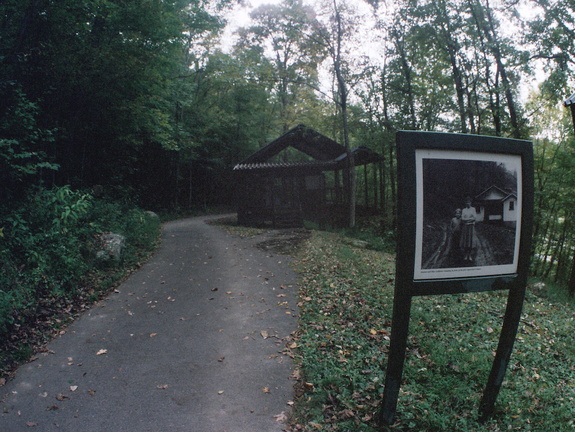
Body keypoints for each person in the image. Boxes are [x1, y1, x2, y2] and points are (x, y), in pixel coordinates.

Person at [460, 197, 476, 262]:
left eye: (469, 202)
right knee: (465, 242)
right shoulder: (464, 210)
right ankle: (466, 255)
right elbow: (462, 219)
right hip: (465, 227)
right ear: (465, 203)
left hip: (471, 227)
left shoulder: (473, 209)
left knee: (470, 241)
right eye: (467, 202)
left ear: (471, 203)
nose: (468, 203)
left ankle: (470, 256)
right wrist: (470, 219)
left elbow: (474, 218)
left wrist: (467, 220)